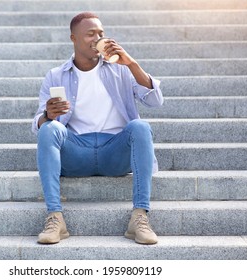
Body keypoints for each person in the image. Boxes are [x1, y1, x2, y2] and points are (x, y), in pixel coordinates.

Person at [31, 12, 164, 245]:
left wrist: (131, 63)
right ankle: (55, 218)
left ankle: (140, 217)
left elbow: (155, 101)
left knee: (140, 127)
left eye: (101, 33)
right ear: (73, 38)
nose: (98, 38)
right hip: (76, 152)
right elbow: (38, 124)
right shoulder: (56, 75)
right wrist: (47, 115)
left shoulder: (121, 69)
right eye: (90, 34)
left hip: (115, 151)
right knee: (49, 129)